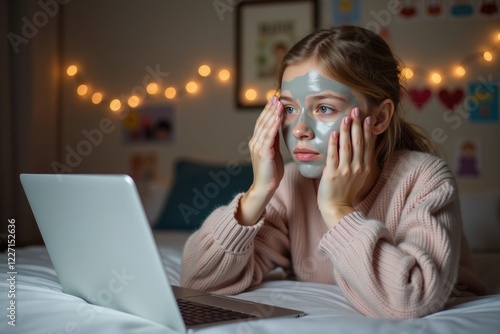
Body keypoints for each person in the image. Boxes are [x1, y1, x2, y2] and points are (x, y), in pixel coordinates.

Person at [180, 25, 488, 319]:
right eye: (288, 108)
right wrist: (258, 191)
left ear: (379, 118)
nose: (299, 129)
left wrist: (337, 209)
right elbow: (197, 280)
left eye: (324, 108)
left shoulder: (424, 178)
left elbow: (410, 300)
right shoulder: (292, 184)